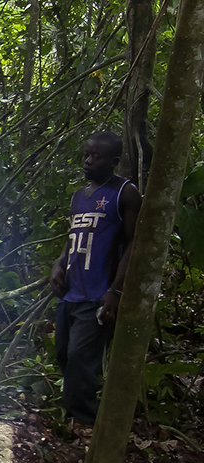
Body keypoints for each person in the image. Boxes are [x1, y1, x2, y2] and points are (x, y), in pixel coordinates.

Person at [50, 131, 141, 427]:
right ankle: (74, 414)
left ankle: (87, 422)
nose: (88, 161)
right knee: (63, 353)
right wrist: (59, 263)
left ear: (113, 161)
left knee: (81, 357)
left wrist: (115, 290)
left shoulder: (124, 193)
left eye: (96, 157)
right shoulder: (80, 196)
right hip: (71, 291)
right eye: (86, 155)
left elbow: (133, 243)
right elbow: (74, 236)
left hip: (98, 292)